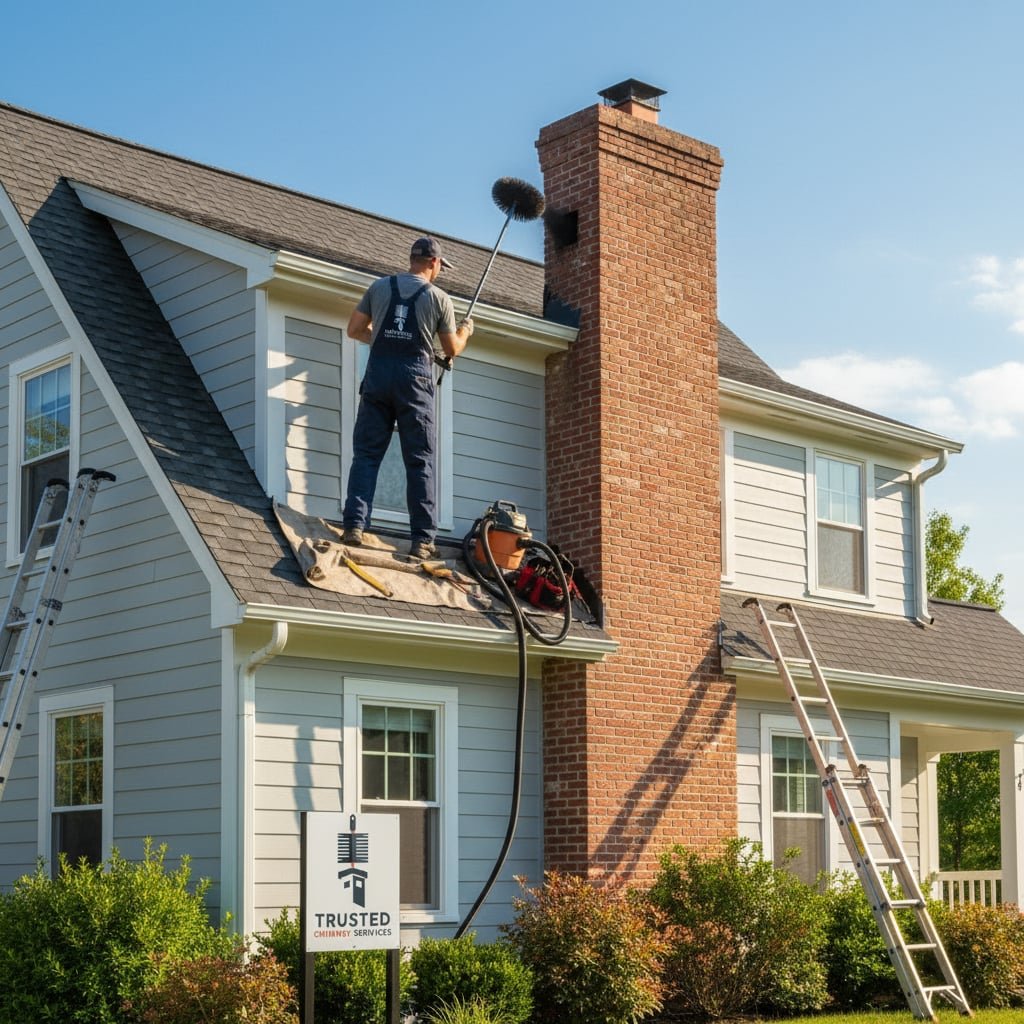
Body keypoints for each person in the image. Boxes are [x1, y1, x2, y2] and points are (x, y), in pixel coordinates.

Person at [341, 237, 474, 561]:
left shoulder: (379, 287)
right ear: (433, 263)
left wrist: (388, 343)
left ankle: (355, 526)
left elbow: (355, 329)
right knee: (419, 461)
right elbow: (452, 348)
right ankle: (422, 541)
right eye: (441, 265)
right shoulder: (439, 298)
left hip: (379, 375)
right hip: (414, 382)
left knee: (367, 455)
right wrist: (467, 330)